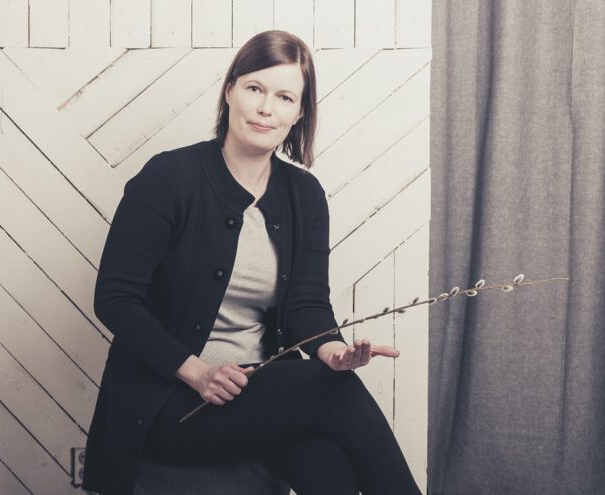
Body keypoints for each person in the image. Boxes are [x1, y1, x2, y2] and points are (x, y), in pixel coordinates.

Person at [82, 30, 422, 495]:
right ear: (230, 91)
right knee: (335, 394)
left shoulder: (304, 195)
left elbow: (306, 304)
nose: (266, 108)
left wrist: (332, 352)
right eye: (255, 89)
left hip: (258, 396)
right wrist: (198, 372)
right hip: (173, 403)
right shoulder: (168, 177)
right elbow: (115, 299)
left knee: (328, 464)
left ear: (299, 113)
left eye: (284, 97)